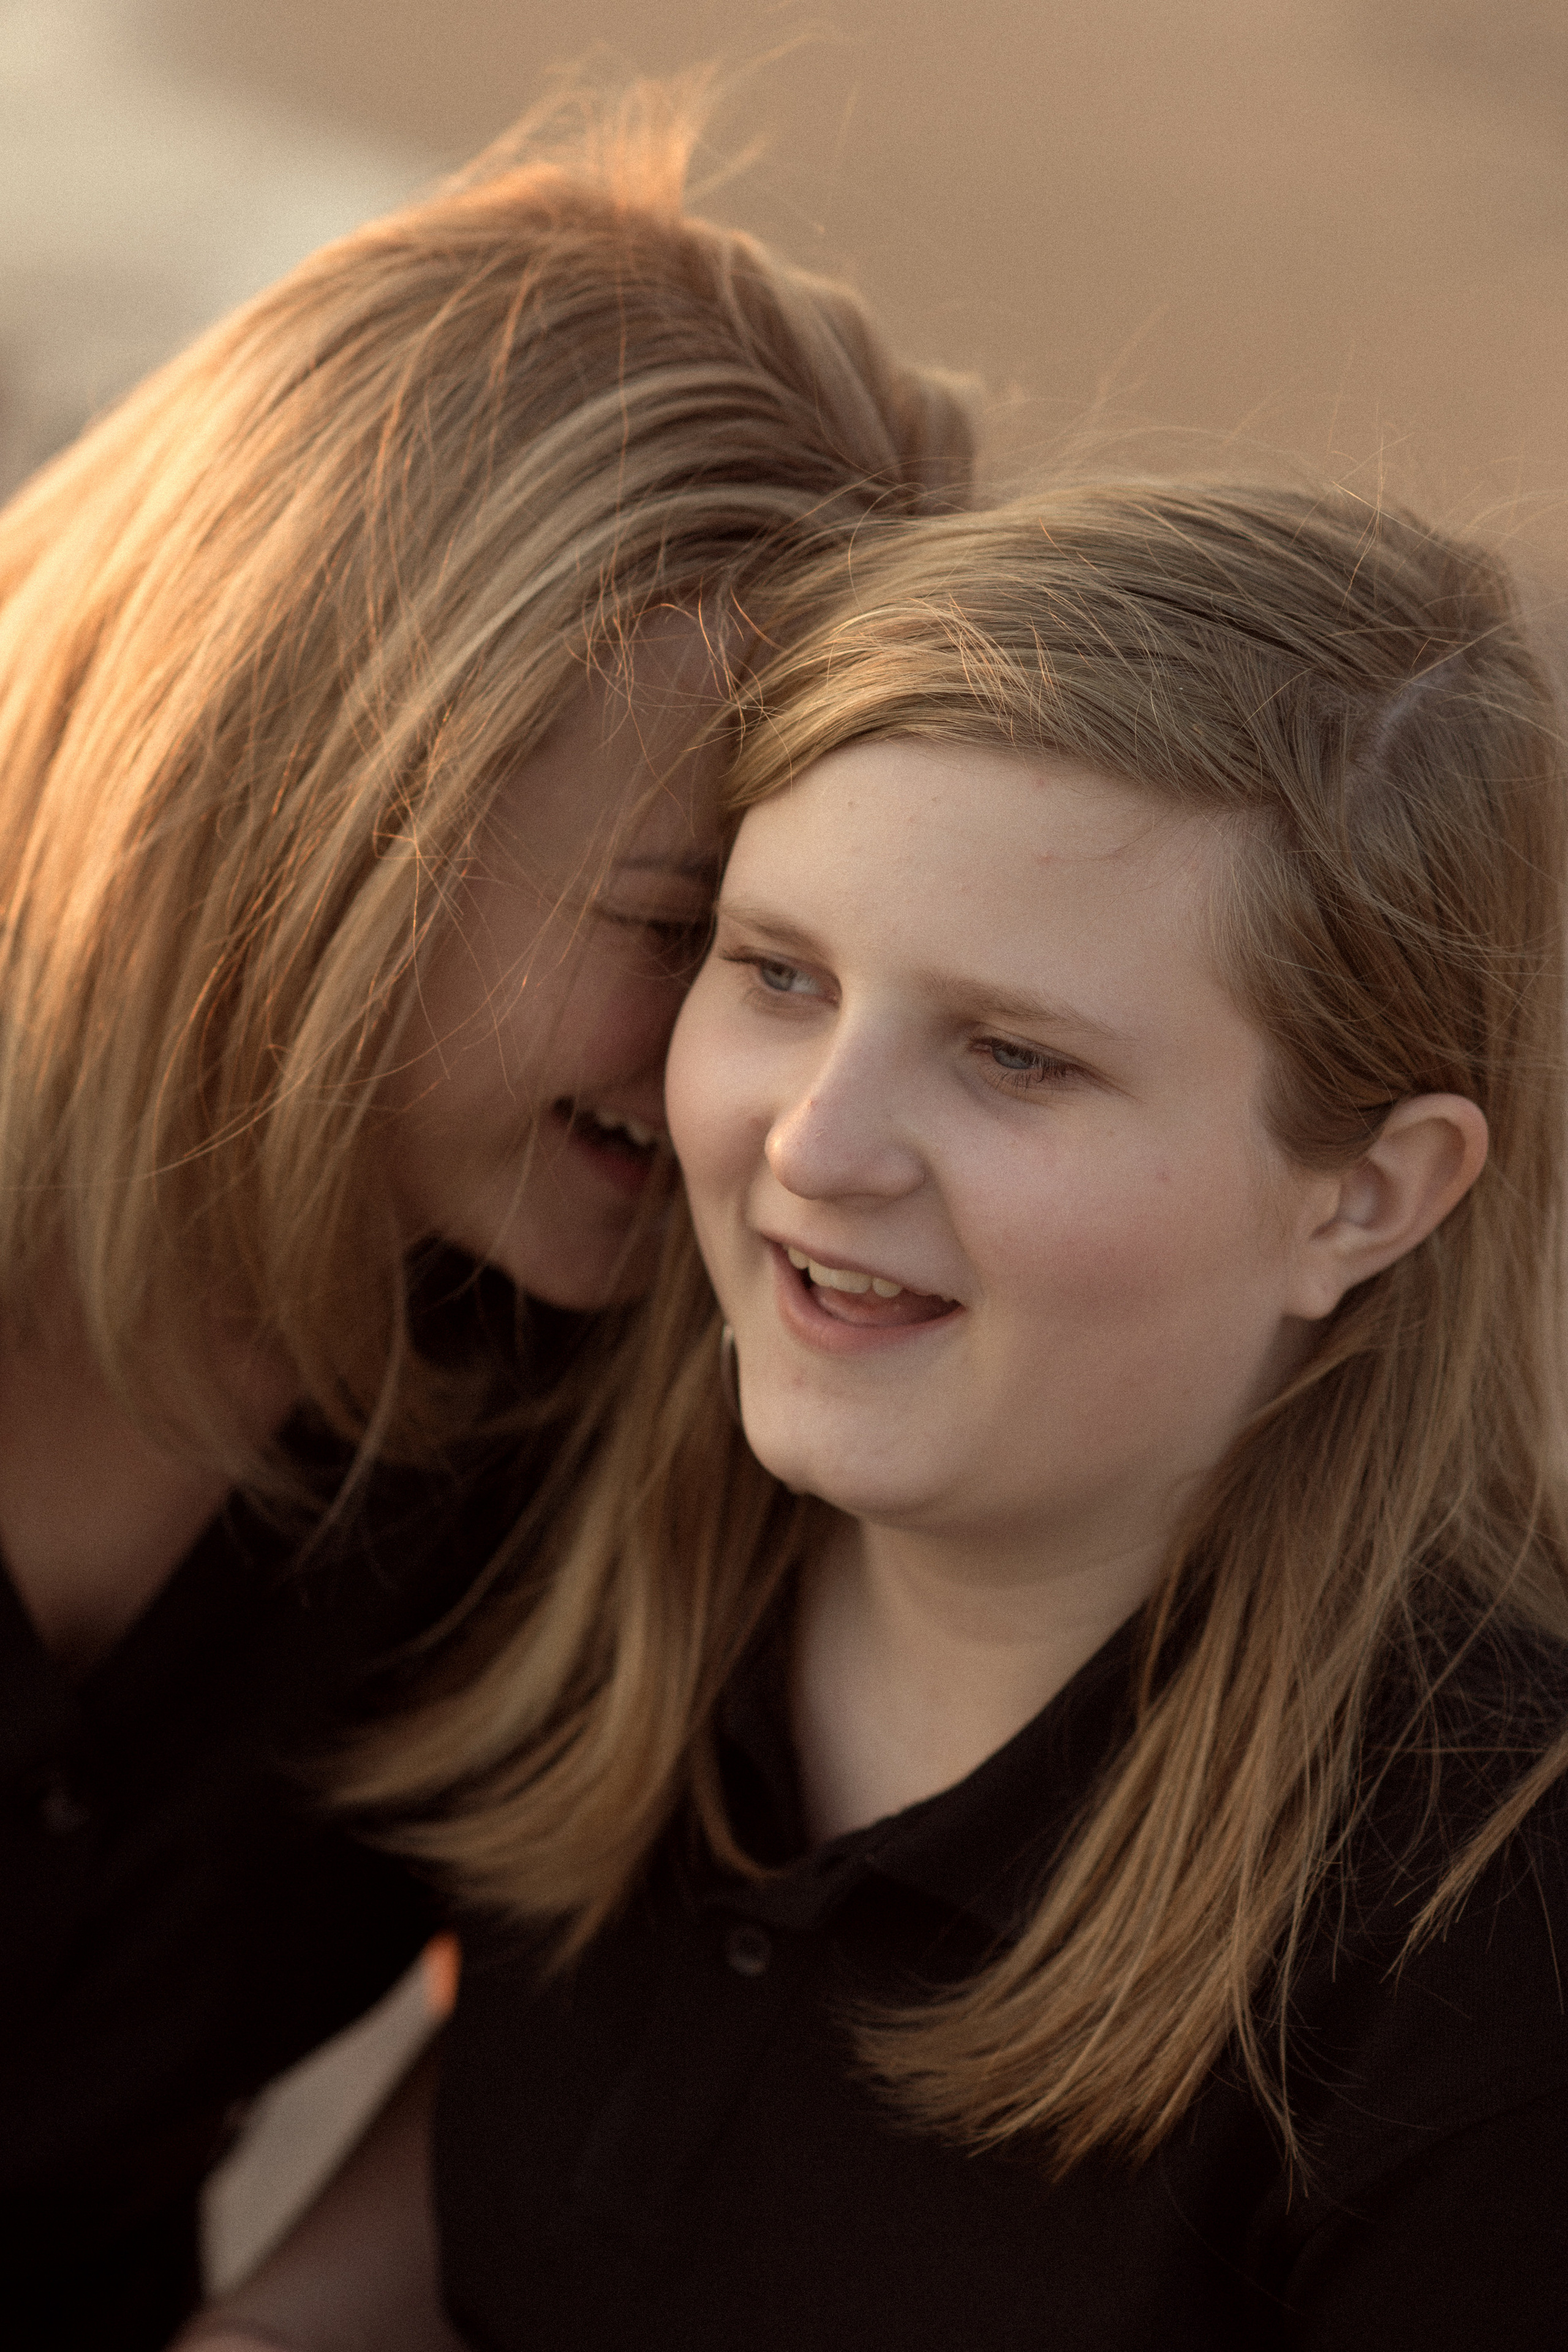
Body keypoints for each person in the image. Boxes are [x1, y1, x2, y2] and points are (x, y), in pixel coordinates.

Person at [195, 473, 1568, 2350]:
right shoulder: (623, 1534)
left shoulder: (1493, 1944)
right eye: (777, 975)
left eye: (1015, 1057)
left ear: (1371, 1195)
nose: (815, 1146)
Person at [0, 74, 973, 2350]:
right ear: (321, 789)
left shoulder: (644, 1360)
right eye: (696, 929)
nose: (788, 1093)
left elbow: (622, 1984)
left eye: (836, 965)